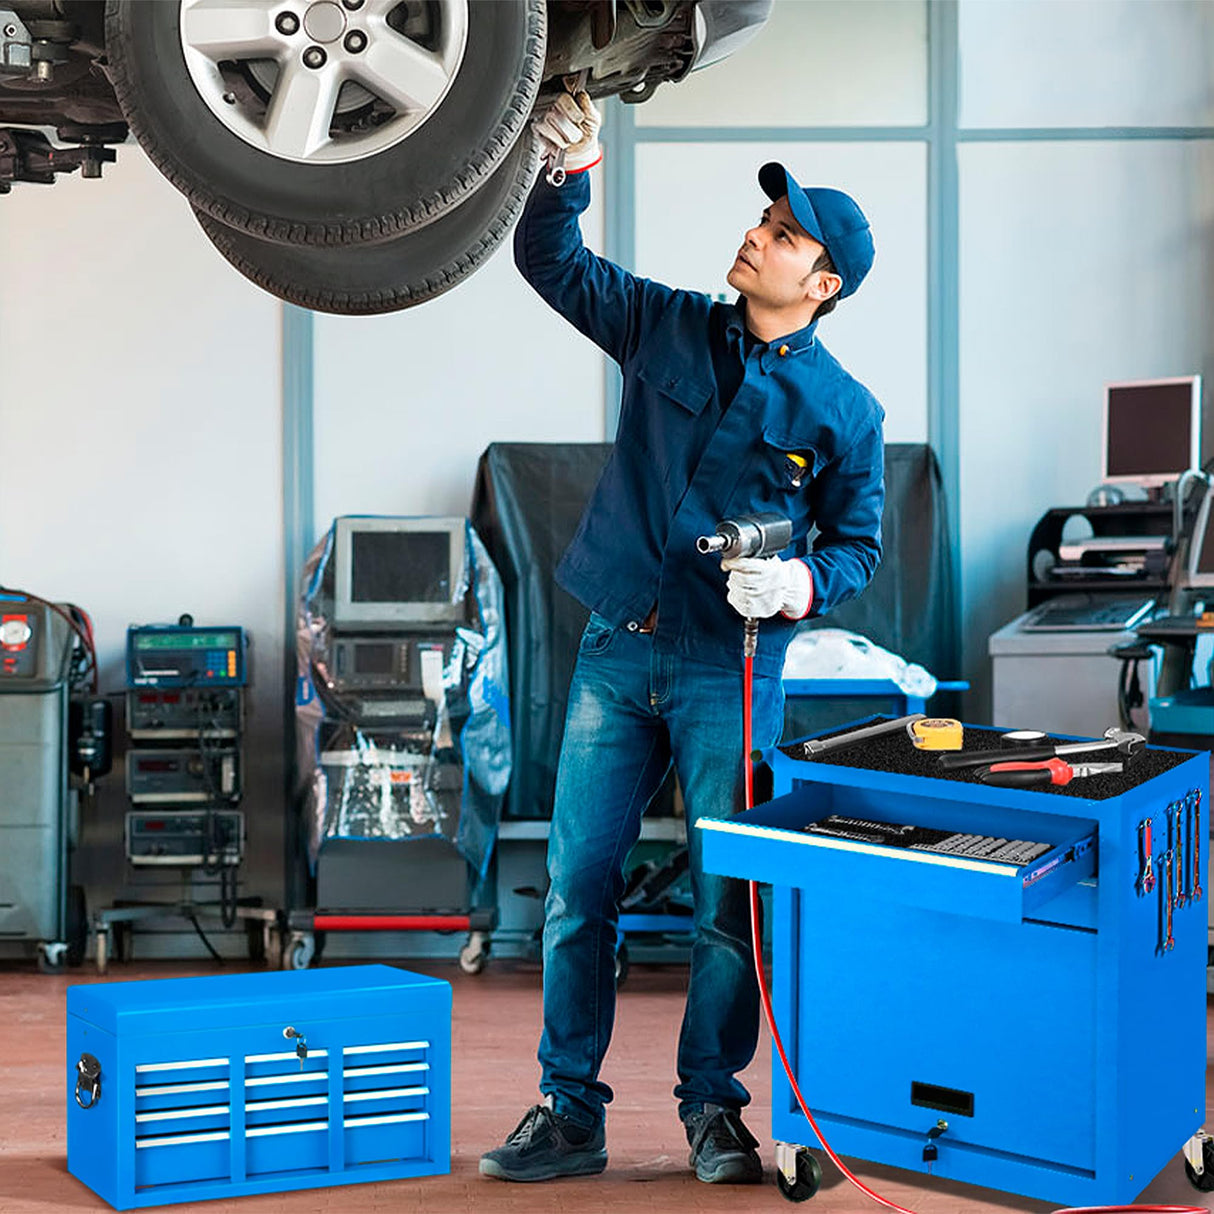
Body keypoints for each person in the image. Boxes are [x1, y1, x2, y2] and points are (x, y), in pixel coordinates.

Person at [480, 89, 886, 1186]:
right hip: (617, 648)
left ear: (822, 285)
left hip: (731, 670)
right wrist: (569, 171)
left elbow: (858, 546)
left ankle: (714, 1107)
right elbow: (551, 263)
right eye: (764, 220)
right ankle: (568, 1109)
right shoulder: (663, 324)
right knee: (577, 890)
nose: (757, 234)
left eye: (784, 235)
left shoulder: (845, 413)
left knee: (727, 904)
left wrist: (800, 581)